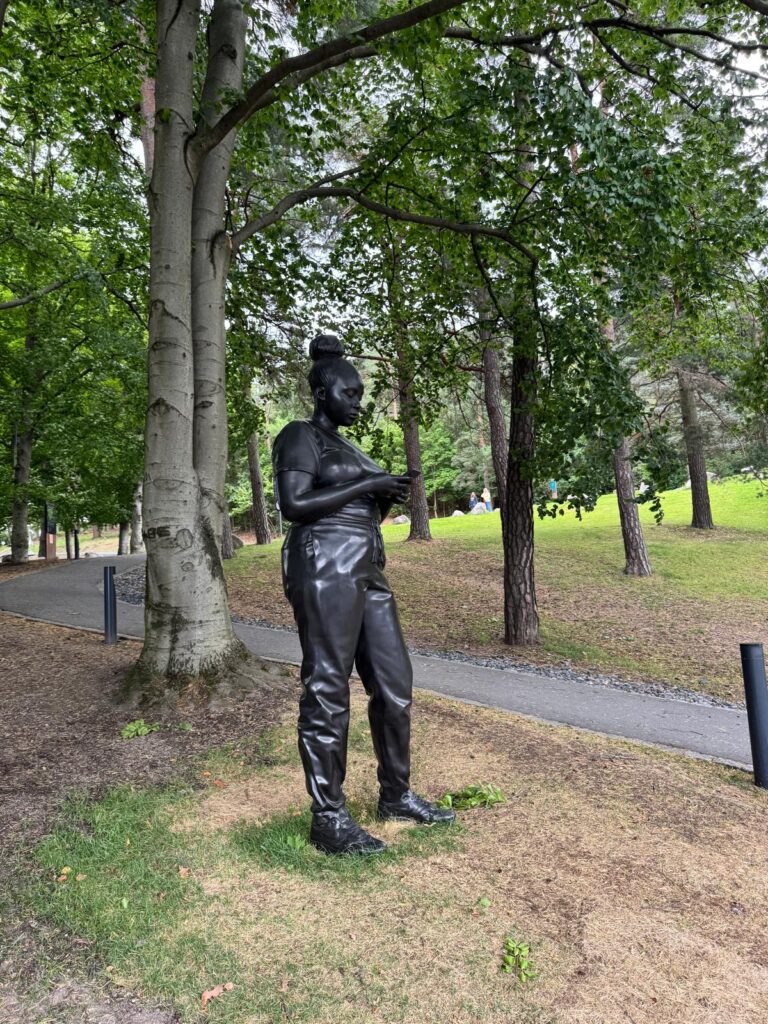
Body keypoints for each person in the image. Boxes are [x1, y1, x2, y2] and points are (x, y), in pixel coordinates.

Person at [272, 335, 455, 856]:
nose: (358, 402)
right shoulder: (300, 435)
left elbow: (363, 507)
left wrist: (386, 493)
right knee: (328, 685)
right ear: (322, 392)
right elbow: (293, 504)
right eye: (349, 394)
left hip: (367, 564)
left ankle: (396, 795)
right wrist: (365, 486)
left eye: (360, 394)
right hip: (323, 559)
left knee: (394, 683)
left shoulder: (351, 447)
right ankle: (328, 817)